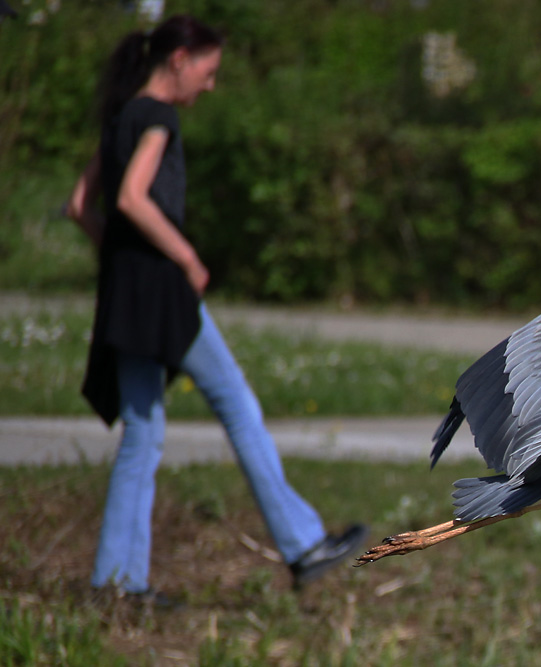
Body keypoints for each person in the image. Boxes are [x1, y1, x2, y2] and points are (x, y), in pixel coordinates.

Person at [65, 14, 366, 600]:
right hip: (163, 294)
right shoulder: (156, 116)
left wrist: (121, 259)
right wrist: (185, 258)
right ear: (179, 59)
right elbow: (131, 198)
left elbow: (81, 205)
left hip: (125, 297)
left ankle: (115, 583)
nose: (210, 84)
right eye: (208, 70)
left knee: (143, 433)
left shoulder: (119, 116)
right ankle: (302, 543)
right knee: (236, 401)